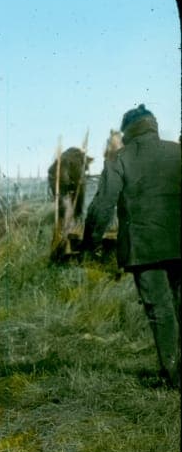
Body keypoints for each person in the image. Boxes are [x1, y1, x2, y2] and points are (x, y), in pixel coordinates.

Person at [82, 104, 181, 388]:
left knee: (160, 311)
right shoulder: (178, 152)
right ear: (153, 125)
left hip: (144, 248)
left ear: (127, 131)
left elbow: (102, 205)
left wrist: (91, 243)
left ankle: (174, 378)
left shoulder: (119, 159)